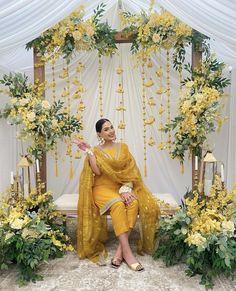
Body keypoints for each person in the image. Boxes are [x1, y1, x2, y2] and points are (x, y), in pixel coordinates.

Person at [74, 118, 160, 271]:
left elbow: (131, 171)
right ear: (99, 133)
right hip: (102, 189)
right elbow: (97, 172)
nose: (111, 131)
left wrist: (126, 188)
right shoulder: (95, 150)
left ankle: (121, 251)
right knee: (118, 204)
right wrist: (89, 152)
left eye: (111, 127)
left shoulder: (124, 148)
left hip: (120, 187)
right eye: (106, 129)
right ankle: (129, 254)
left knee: (133, 202)